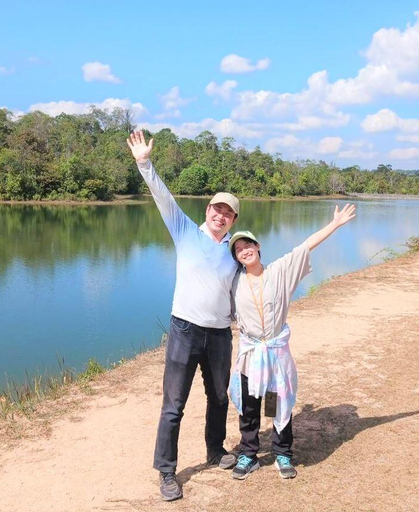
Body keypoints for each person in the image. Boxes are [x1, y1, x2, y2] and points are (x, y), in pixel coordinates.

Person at [126, 130, 239, 502]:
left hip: (220, 334)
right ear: (207, 210)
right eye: (216, 209)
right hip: (185, 330)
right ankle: (166, 471)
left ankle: (215, 450)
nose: (220, 216)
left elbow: (247, 289)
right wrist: (144, 163)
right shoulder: (185, 230)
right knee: (174, 405)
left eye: (227, 213)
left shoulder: (236, 252)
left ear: (233, 219)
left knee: (219, 397)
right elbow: (163, 196)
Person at [227, 203, 357, 480]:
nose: (244, 251)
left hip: (274, 354)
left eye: (247, 245)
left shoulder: (279, 271)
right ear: (236, 257)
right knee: (249, 406)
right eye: (238, 249)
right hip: (250, 354)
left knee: (277, 402)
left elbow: (306, 245)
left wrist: (334, 224)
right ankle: (248, 454)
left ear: (258, 246)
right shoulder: (234, 282)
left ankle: (282, 452)